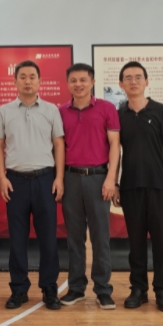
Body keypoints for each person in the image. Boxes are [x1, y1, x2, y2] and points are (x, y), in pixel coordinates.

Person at [0, 60, 65, 311]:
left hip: (46, 180)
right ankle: (19, 288)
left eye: (32, 76)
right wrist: (2, 177)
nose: (27, 81)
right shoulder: (4, 111)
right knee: (17, 238)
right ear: (15, 81)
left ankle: (49, 287)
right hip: (15, 181)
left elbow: (59, 144)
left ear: (40, 81)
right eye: (22, 77)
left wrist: (59, 178)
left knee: (48, 237)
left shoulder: (51, 110)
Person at [115, 62, 163, 312]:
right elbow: (115, 152)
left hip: (159, 186)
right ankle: (138, 289)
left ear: (147, 82)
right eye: (128, 78)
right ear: (121, 84)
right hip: (130, 187)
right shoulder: (118, 115)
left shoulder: (161, 111)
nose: (133, 81)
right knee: (136, 241)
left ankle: (162, 290)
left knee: (161, 241)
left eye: (138, 77)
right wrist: (115, 183)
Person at [57, 63, 119, 310]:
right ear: (68, 83)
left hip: (98, 178)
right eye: (73, 80)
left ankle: (103, 289)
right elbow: (59, 148)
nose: (78, 84)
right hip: (71, 178)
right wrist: (60, 179)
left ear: (92, 82)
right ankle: (76, 288)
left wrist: (111, 178)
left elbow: (115, 145)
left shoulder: (106, 108)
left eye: (83, 80)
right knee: (74, 237)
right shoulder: (60, 111)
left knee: (100, 237)